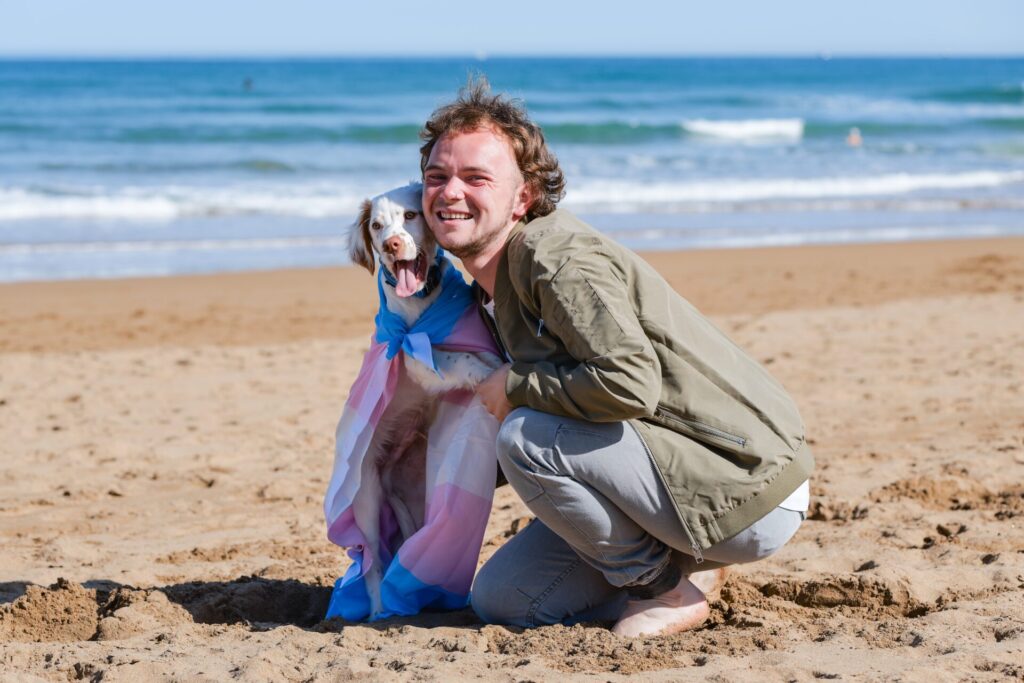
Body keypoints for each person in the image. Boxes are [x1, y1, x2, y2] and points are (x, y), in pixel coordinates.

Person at [418, 79, 814, 638]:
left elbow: (628, 385)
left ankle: (665, 589)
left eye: (476, 177)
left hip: (744, 483)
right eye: (438, 177)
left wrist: (517, 385)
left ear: (523, 197)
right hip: (664, 471)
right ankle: (692, 566)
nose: (451, 192)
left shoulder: (551, 257)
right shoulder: (486, 292)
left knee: (527, 436)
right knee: (506, 602)